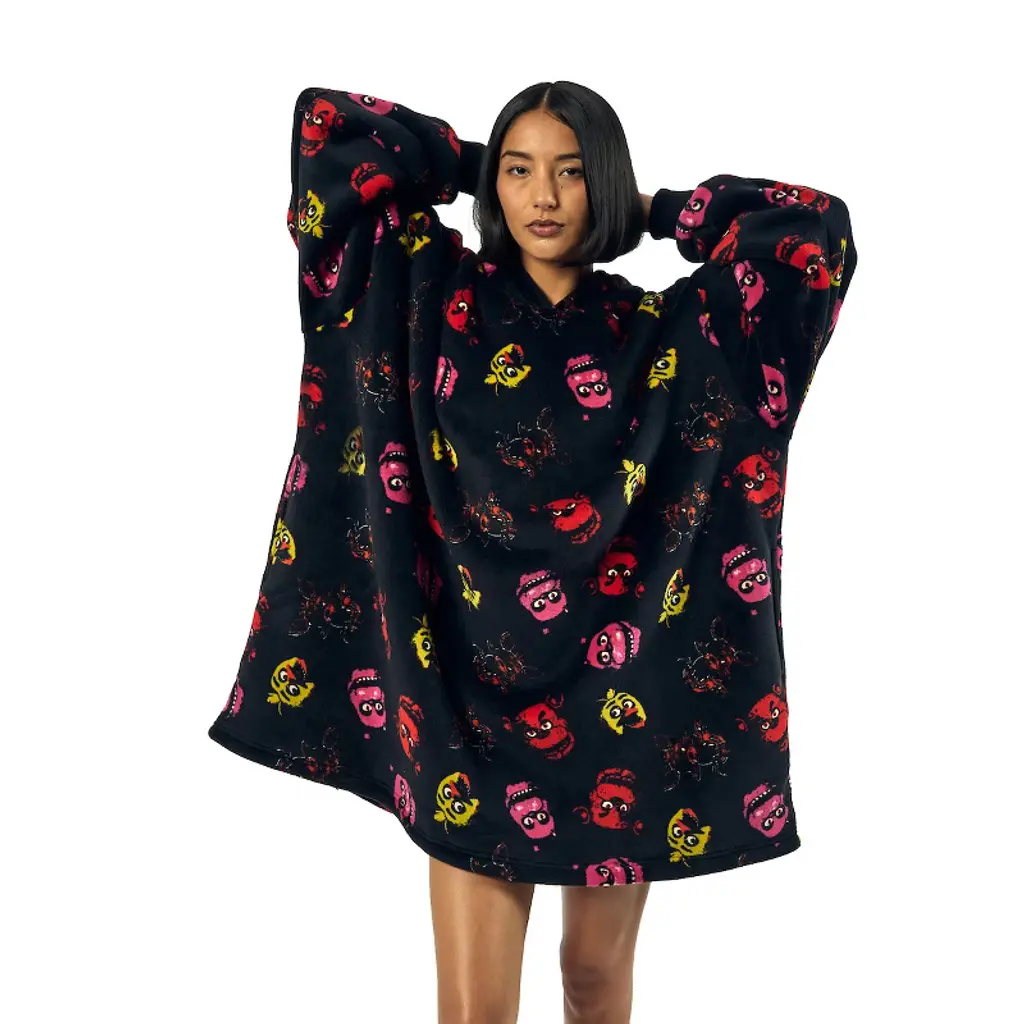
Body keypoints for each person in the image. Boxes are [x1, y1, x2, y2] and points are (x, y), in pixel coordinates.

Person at [208, 80, 857, 1024]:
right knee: (475, 1011)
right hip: (457, 702)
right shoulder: (424, 290)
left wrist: (647, 206)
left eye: (571, 173)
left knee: (594, 981)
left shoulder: (668, 334)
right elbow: (331, 133)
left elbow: (809, 233)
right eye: (521, 172)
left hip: (615, 710)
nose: (544, 197)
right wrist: (478, 171)